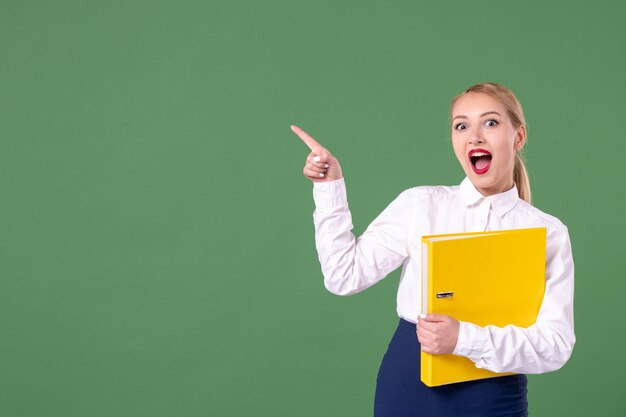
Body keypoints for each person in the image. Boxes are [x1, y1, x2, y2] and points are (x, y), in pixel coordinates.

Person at [290, 82, 575, 417]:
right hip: (408, 385)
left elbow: (555, 346)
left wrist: (463, 340)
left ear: (518, 137)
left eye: (491, 122)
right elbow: (343, 277)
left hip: (493, 395)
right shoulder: (420, 205)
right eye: (462, 125)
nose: (475, 137)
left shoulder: (547, 233)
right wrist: (329, 190)